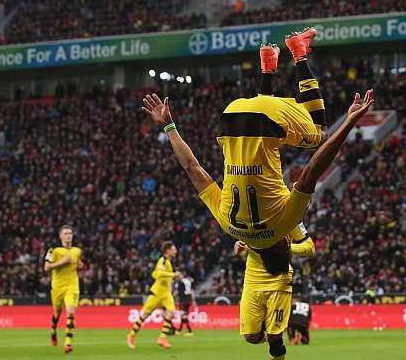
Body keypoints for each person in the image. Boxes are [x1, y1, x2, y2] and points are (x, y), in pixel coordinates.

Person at [140, 29, 374, 275]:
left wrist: (348, 123)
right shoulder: (229, 227)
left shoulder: (285, 223)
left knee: (320, 132)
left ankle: (299, 52)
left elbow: (312, 170)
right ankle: (267, 65)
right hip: (231, 117)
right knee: (274, 138)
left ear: (284, 244)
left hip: (266, 120)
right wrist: (169, 126)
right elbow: (192, 168)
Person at [233, 220, 315, 360]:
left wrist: (289, 247)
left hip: (279, 280)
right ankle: (270, 337)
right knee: (250, 337)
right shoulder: (249, 216)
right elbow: (249, 243)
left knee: (275, 335)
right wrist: (241, 246)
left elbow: (310, 247)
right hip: (253, 280)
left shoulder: (290, 217)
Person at [126, 241, 180, 350]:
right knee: (145, 315)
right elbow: (159, 274)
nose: (175, 251)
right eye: (173, 249)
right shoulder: (163, 261)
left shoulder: (167, 262)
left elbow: (155, 274)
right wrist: (173, 274)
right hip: (157, 293)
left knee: (171, 312)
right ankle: (131, 335)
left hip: (166, 294)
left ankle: (162, 338)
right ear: (167, 251)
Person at [44, 224, 83, 354]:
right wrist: (62, 262)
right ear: (60, 236)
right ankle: (53, 330)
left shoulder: (77, 251)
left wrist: (80, 266)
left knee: (71, 312)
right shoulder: (53, 251)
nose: (68, 236)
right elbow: (46, 267)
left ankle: (68, 343)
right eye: (65, 233)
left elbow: (79, 264)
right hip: (57, 287)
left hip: (72, 285)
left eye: (70, 233)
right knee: (57, 313)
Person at [174, 271, 196, 337]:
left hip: (183, 300)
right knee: (183, 315)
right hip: (188, 299)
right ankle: (179, 330)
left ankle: (190, 331)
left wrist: (171, 298)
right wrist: (193, 299)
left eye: (177, 276)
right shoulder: (188, 280)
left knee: (184, 316)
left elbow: (176, 292)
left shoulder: (180, 282)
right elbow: (191, 290)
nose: (176, 277)